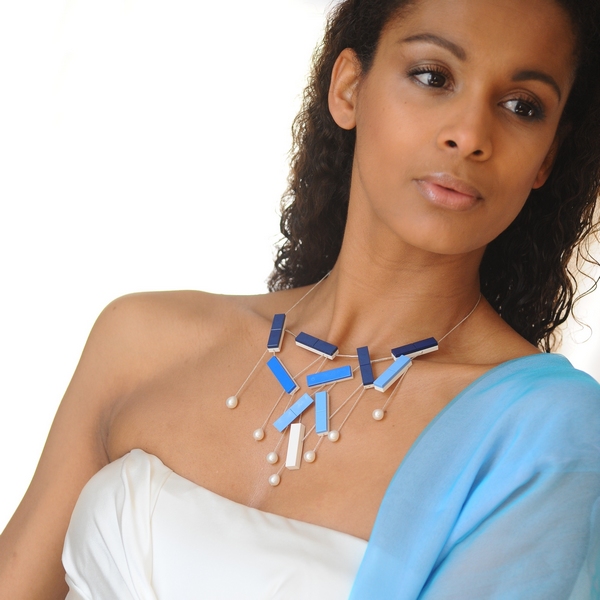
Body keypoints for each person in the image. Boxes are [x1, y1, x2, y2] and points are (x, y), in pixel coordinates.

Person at [1, 0, 600, 597]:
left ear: (547, 155)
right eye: (432, 76)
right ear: (348, 88)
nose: (468, 136)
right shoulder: (141, 341)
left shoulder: (544, 435)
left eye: (522, 107)